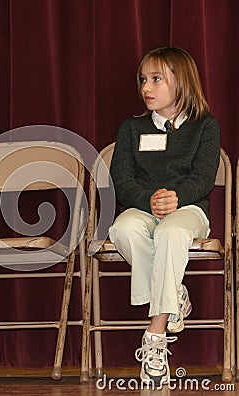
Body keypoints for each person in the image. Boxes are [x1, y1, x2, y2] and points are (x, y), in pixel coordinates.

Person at [108, 46, 220, 386]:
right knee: (122, 229)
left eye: (157, 79)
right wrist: (147, 199)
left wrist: (176, 198)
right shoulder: (131, 128)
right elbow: (121, 178)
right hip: (144, 209)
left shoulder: (205, 126)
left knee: (170, 233)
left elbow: (203, 177)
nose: (146, 87)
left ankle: (155, 335)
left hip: (189, 210)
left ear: (182, 83)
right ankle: (174, 294)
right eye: (143, 79)